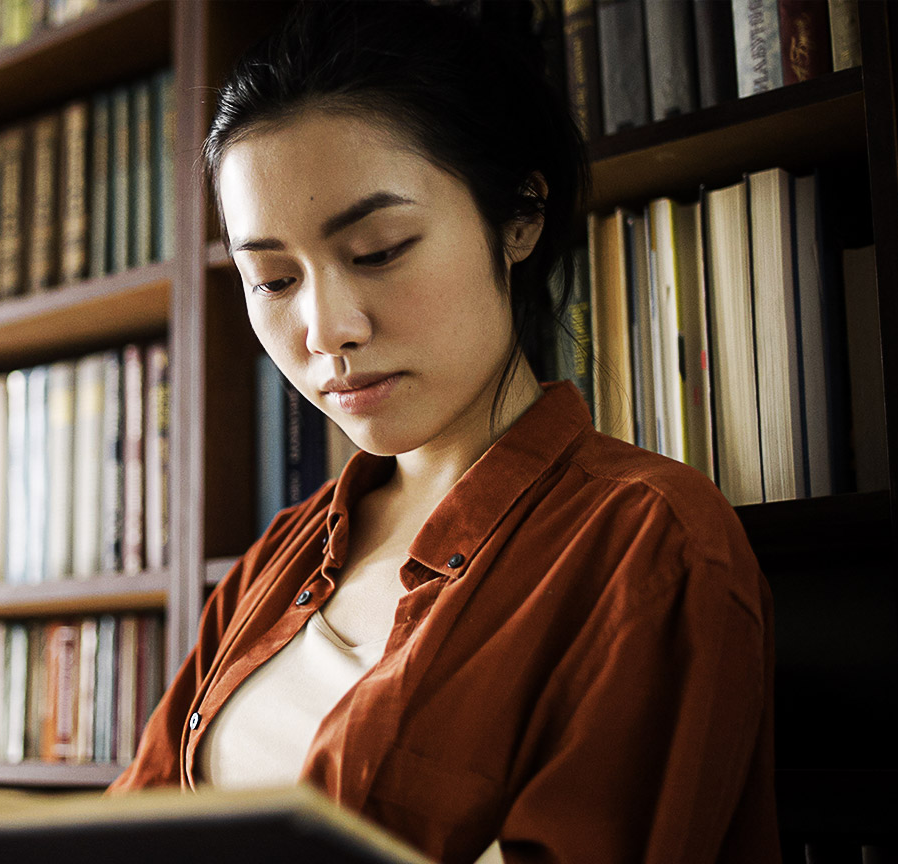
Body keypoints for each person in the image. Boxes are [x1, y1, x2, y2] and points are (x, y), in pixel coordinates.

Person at [106, 3, 780, 863]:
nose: (326, 328)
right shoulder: (280, 556)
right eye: (272, 279)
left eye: (380, 249)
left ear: (519, 219)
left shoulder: (647, 543)